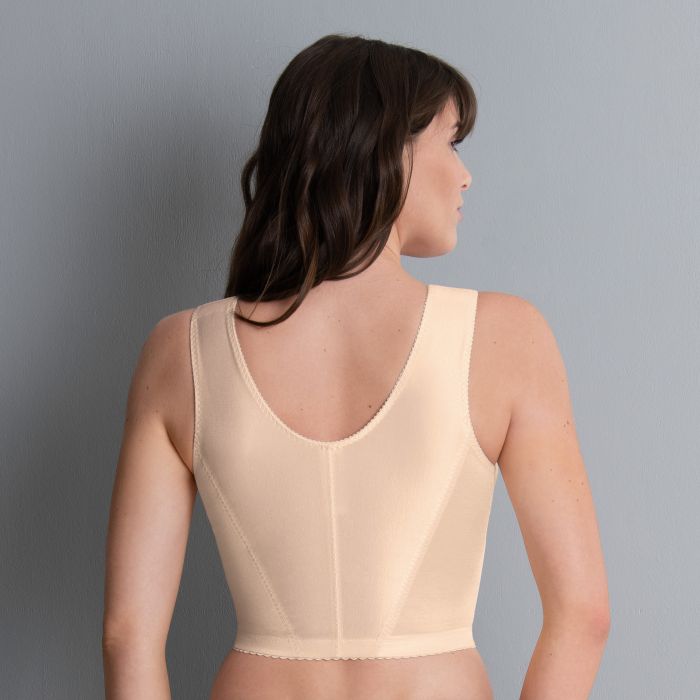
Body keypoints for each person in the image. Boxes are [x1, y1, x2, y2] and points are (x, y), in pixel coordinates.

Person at [102, 33, 610, 700]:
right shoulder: (506, 338)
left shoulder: (180, 351)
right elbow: (583, 615)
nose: (465, 175)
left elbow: (129, 636)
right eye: (452, 143)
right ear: (388, 149)